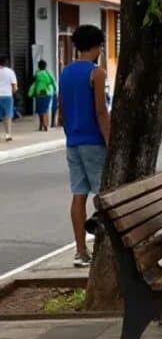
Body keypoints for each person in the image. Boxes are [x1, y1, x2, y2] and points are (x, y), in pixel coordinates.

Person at [58, 25, 110, 267]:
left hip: (73, 141)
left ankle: (81, 251)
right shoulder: (96, 73)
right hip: (93, 141)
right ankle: (106, 248)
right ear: (97, 45)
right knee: (104, 194)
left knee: (78, 195)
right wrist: (109, 141)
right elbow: (101, 111)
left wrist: (70, 132)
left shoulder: (65, 72)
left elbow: (62, 110)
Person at [29, 60, 57, 132]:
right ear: (45, 66)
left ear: (39, 66)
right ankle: (45, 125)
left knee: (40, 110)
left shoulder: (37, 73)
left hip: (39, 94)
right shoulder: (48, 73)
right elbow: (53, 82)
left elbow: (33, 82)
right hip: (48, 93)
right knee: (46, 109)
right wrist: (55, 91)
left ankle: (41, 125)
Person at [0, 55, 17, 141]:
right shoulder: (10, 72)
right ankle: (8, 134)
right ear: (6, 63)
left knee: (2, 116)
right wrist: (12, 93)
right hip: (7, 96)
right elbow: (15, 86)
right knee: (8, 116)